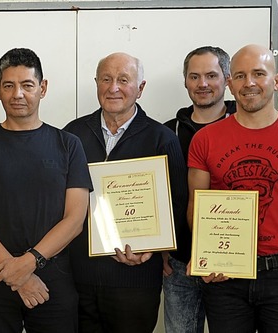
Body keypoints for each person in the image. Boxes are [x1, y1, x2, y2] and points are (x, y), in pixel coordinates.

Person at [0, 48, 92, 333]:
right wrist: (17, 273)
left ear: (43, 88)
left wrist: (30, 262)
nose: (18, 94)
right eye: (9, 85)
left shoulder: (68, 144)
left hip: (53, 276)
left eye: (27, 85)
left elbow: (75, 219)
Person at [63, 52, 187, 333]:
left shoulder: (161, 138)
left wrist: (153, 246)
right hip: (79, 277)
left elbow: (178, 205)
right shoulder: (71, 135)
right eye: (106, 79)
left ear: (140, 88)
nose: (113, 87)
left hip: (136, 279)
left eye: (123, 80)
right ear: (96, 83)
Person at [187, 44, 278, 332]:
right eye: (239, 76)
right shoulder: (205, 140)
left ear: (277, 81)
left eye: (258, 74)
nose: (249, 83)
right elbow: (196, 206)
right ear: (230, 84)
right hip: (225, 277)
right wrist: (205, 256)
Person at [162, 46, 236, 333]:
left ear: (227, 79)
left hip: (231, 263)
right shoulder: (167, 133)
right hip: (179, 263)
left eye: (211, 75)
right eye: (194, 76)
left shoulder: (246, 129)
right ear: (185, 81)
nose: (202, 84)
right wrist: (159, 249)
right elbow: (158, 196)